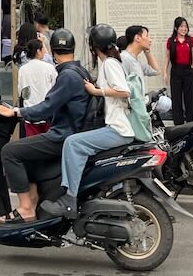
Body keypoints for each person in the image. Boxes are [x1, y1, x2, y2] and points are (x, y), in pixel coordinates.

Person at [0, 29, 88, 222]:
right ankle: (35, 200)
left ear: (52, 51)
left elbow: (47, 106)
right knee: (27, 155)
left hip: (62, 136)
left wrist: (15, 112)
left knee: (10, 151)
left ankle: (26, 207)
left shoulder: (67, 75)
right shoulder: (80, 72)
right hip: (69, 132)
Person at [42, 24, 133, 220]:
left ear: (93, 47)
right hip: (117, 127)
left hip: (118, 129)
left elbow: (124, 91)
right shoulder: (111, 63)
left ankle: (69, 200)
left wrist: (96, 91)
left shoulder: (109, 63)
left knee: (73, 143)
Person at [18, 38, 57, 136]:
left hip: (30, 112)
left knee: (31, 145)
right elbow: (55, 87)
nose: (45, 51)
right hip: (47, 111)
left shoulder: (23, 69)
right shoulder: (49, 68)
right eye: (43, 48)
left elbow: (22, 92)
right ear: (38, 51)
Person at [165, 16, 193, 125]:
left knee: (189, 98)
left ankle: (191, 124)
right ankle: (178, 125)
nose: (184, 29)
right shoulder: (171, 41)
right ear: (176, 28)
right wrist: (165, 72)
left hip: (187, 71)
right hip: (175, 71)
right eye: (181, 26)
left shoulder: (190, 40)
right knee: (176, 99)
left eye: (185, 26)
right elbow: (167, 57)